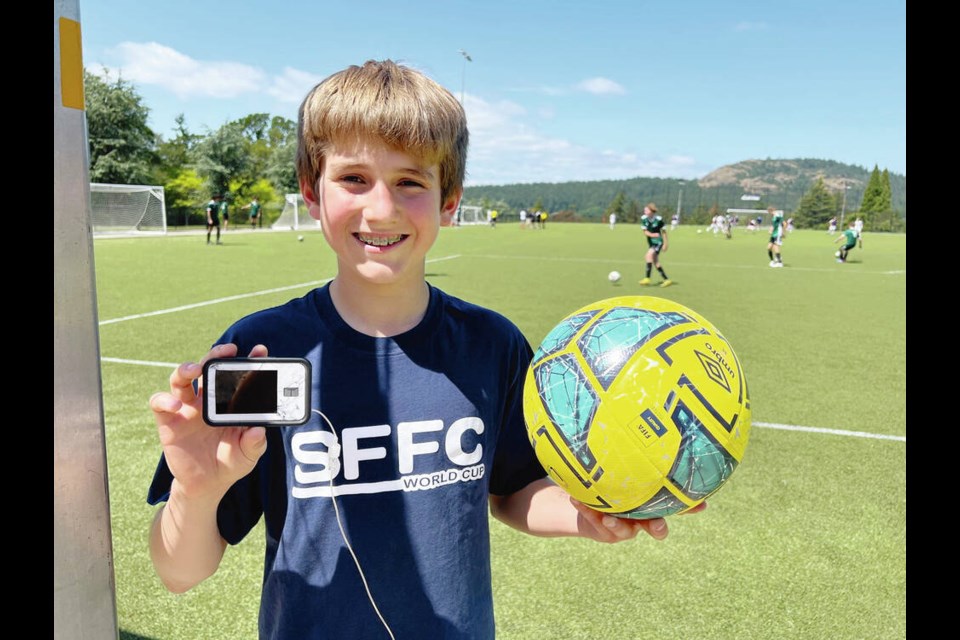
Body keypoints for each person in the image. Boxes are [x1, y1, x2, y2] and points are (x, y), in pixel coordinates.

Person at [146, 60, 699, 640]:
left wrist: (584, 513)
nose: (381, 209)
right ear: (312, 193)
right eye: (354, 178)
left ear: (449, 200)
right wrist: (196, 489)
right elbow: (179, 571)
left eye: (410, 182)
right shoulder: (267, 349)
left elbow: (512, 489)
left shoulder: (492, 344)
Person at [638, 202, 672, 287]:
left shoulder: (659, 220)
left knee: (648, 256)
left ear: (651, 211)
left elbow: (664, 232)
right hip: (651, 243)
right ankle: (667, 279)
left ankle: (647, 278)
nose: (644, 210)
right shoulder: (644, 219)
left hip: (658, 242)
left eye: (646, 209)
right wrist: (652, 235)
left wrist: (665, 244)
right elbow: (645, 232)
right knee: (655, 261)